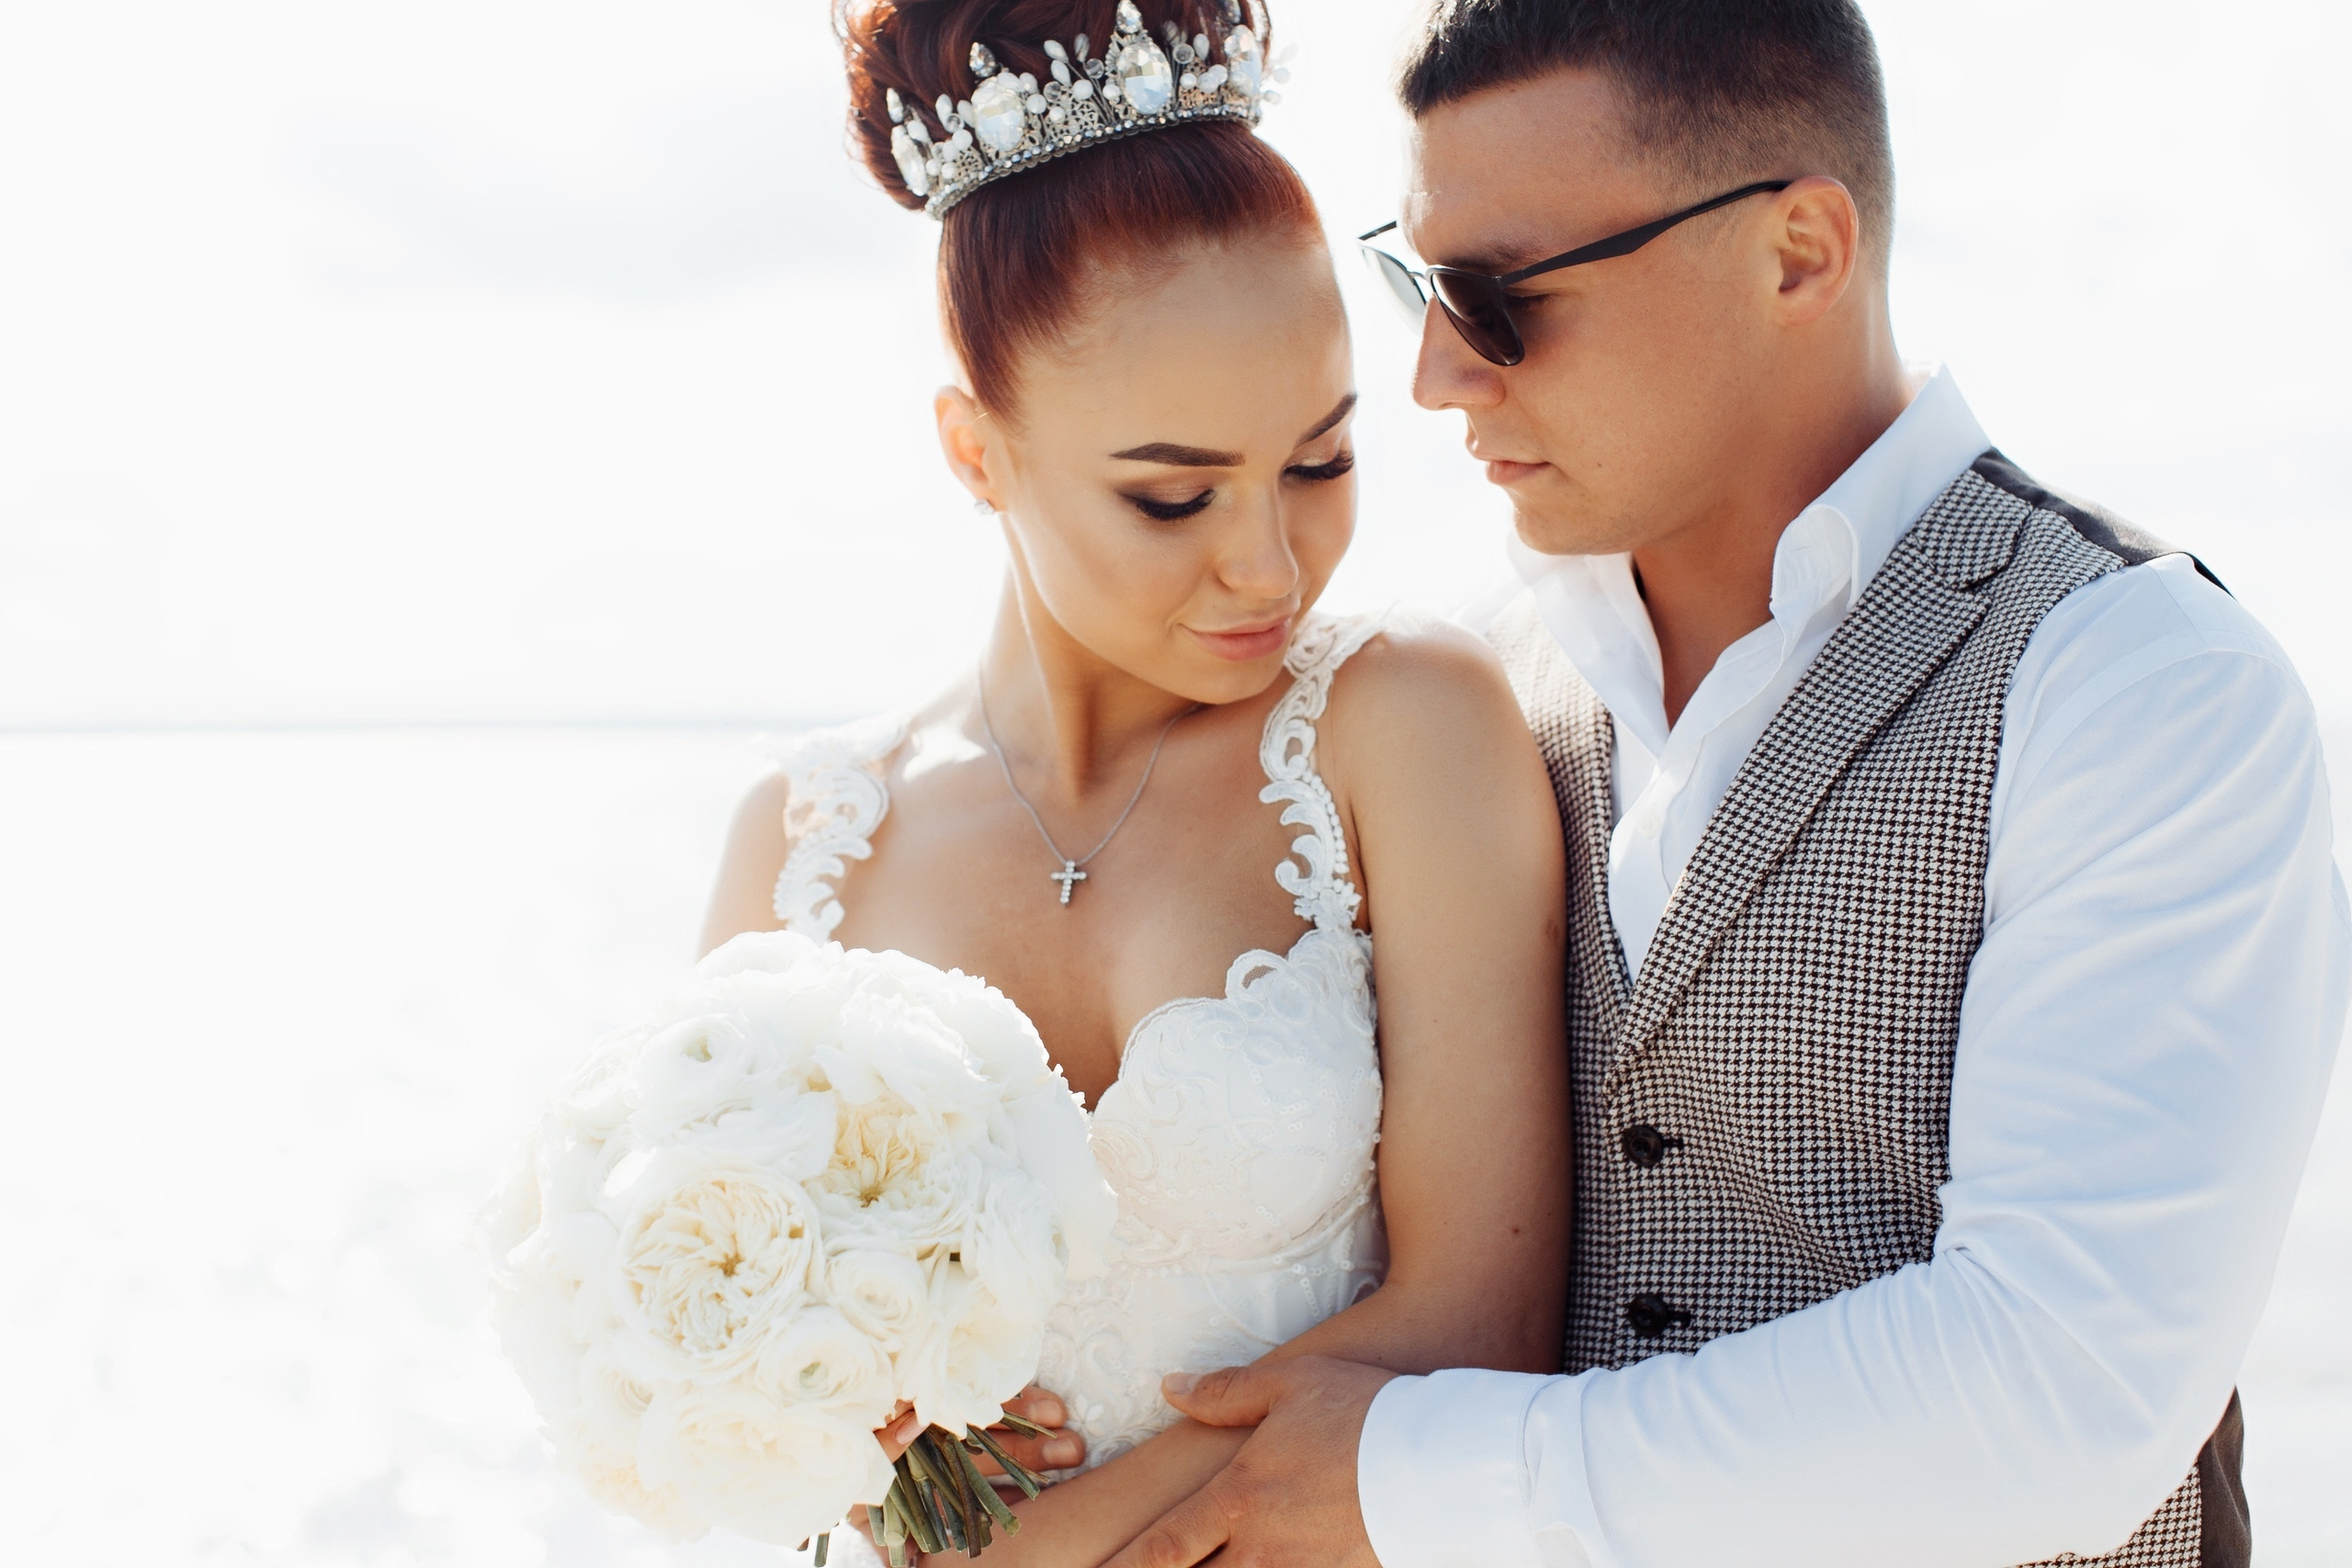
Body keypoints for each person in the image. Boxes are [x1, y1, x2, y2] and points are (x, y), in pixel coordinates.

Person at [1104, 4, 2348, 1567]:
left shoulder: (2140, 683)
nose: (1432, 374)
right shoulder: (1465, 705)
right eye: (1418, 281)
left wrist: (1422, 1482)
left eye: (1498, 297)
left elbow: (2070, 1394)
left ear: (1798, 254)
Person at [700, 1, 1573, 1561]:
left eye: (1319, 462)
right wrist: (876, 1444)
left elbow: (1479, 1314)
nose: (1267, 563)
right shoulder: (803, 842)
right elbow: (728, 1363)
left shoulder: (1407, 728)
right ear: (978, 453)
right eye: (1172, 497)